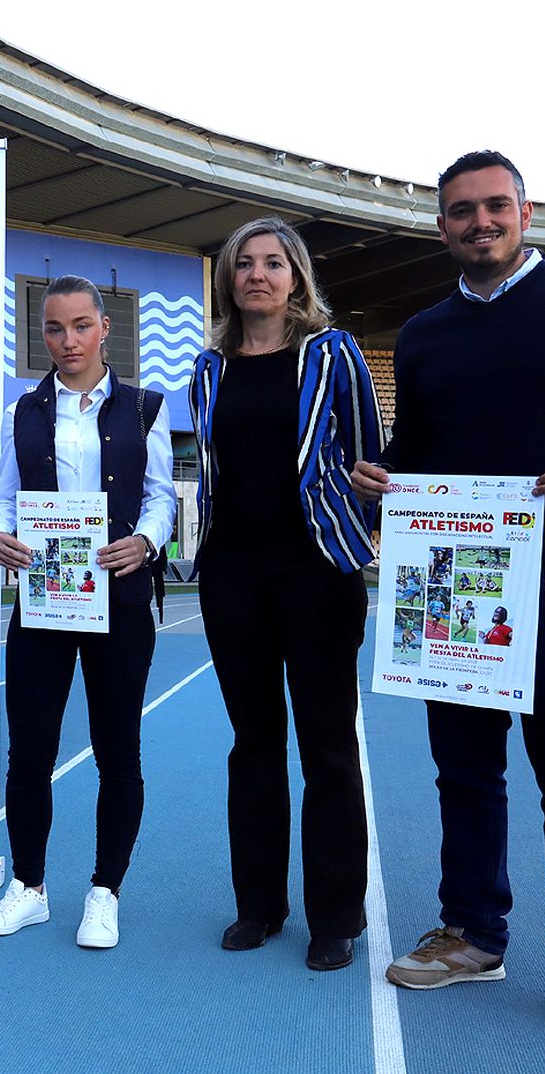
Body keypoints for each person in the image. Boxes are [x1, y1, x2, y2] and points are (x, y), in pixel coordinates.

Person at [352, 150, 545, 1046]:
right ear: (441, 224)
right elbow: (423, 442)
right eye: (460, 211)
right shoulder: (422, 333)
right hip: (450, 571)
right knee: (464, 769)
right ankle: (474, 931)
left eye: (495, 206)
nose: (478, 222)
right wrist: (391, 476)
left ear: (526, 212)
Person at [190, 217, 382, 970]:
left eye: (273, 263)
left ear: (297, 277)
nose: (258, 275)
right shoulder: (211, 367)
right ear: (229, 280)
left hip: (317, 575)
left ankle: (335, 915)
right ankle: (259, 905)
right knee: (253, 743)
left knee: (328, 745)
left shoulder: (331, 354)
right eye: (245, 264)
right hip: (233, 575)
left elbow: (371, 458)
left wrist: (346, 541)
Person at [0, 274, 176, 950]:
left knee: (118, 753)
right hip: (42, 602)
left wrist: (146, 541)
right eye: (54, 329)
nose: (68, 341)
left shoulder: (146, 407)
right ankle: (28, 888)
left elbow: (161, 497)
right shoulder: (20, 412)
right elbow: (4, 496)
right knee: (28, 752)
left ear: (104, 328)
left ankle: (104, 891)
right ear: (42, 334)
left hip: (118, 601)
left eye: (81, 326)